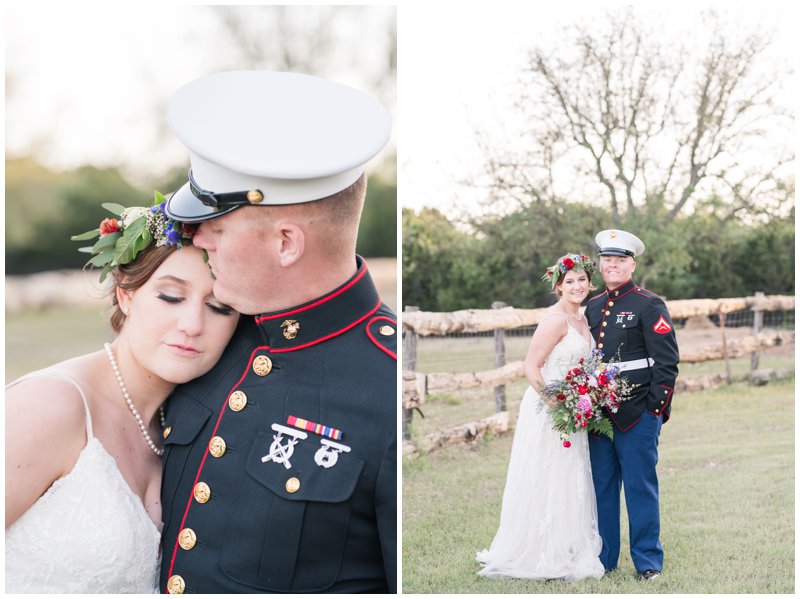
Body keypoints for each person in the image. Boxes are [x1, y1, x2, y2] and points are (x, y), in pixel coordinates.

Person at [157, 70, 397, 594]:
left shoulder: (390, 386)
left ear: (286, 243)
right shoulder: (203, 335)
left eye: (215, 227)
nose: (195, 239)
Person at [5, 198, 239, 593]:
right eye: (170, 297)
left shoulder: (186, 426)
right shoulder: (51, 404)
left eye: (219, 307)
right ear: (126, 293)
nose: (192, 324)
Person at [476, 253, 605, 581]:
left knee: (570, 476)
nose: (576, 286)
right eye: (569, 282)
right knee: (547, 476)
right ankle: (540, 551)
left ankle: (569, 545)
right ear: (558, 287)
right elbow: (531, 367)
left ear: (590, 282)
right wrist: (557, 404)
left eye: (581, 280)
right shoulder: (556, 320)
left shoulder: (584, 319)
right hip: (549, 409)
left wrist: (585, 398)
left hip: (574, 408)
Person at [585, 229, 680, 581]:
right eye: (607, 259)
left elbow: (667, 362)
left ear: (632, 264)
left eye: (619, 260)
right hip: (597, 415)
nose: (612, 265)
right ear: (600, 263)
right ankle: (605, 559)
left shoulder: (648, 304)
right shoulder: (592, 306)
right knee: (603, 489)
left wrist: (654, 411)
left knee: (640, 488)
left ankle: (648, 561)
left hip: (638, 413)